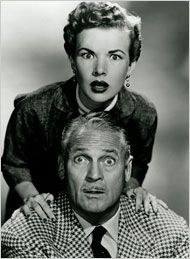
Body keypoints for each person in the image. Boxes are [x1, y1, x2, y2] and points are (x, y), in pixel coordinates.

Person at [1, 1, 159, 220]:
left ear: (131, 64)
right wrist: (31, 197)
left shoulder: (144, 114)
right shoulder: (34, 108)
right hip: (39, 215)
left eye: (115, 56)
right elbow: (14, 163)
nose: (100, 70)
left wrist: (132, 187)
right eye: (87, 55)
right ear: (72, 61)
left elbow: (139, 162)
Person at [1, 112, 189, 258]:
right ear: (61, 167)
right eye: (81, 159)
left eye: (108, 161)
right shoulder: (24, 234)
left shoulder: (170, 232)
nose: (94, 175)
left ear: (127, 169)